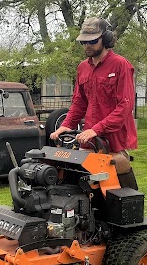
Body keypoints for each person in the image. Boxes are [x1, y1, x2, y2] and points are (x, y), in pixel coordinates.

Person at [49, 17, 139, 190]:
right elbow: (79, 103)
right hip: (89, 138)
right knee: (85, 185)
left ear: (105, 39)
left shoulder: (121, 65)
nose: (87, 46)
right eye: (84, 42)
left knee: (116, 186)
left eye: (92, 41)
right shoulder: (82, 68)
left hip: (113, 138)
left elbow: (125, 106)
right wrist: (66, 125)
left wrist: (96, 129)